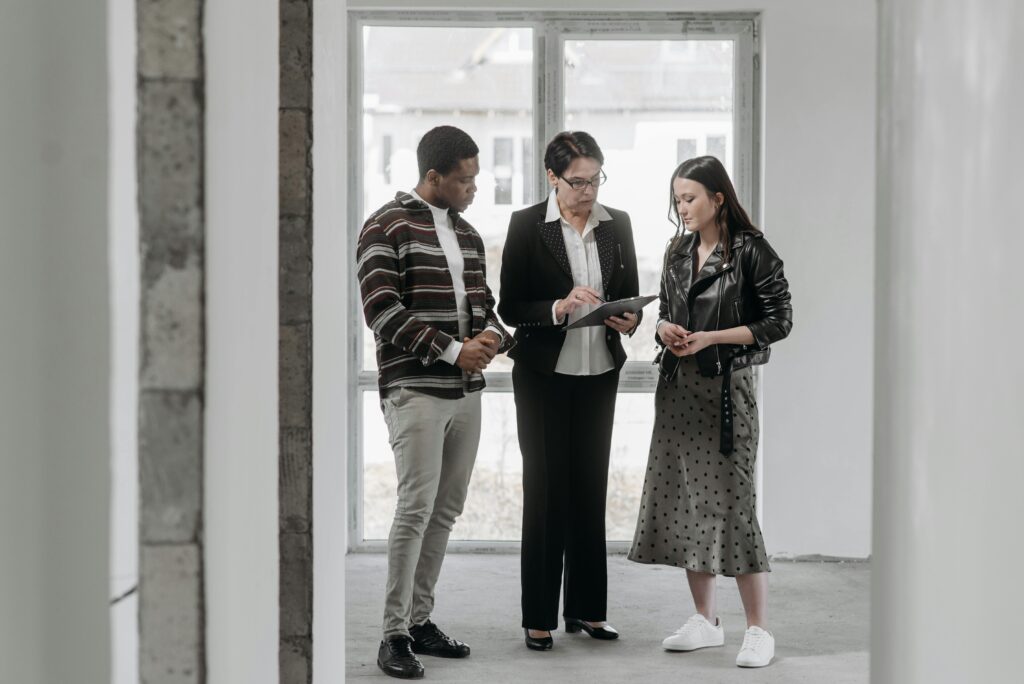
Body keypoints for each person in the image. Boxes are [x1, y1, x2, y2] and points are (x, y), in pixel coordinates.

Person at [356, 125, 514, 680]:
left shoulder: (468, 235)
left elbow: (485, 308)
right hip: (415, 391)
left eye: (475, 179)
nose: (473, 188)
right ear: (433, 177)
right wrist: (453, 350)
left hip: (466, 394)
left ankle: (421, 620)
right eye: (464, 180)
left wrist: (494, 339)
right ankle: (393, 634)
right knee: (415, 508)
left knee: (445, 511)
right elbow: (382, 310)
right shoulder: (385, 226)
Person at [628, 155, 792, 668]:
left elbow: (779, 320)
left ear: (718, 198)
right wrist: (664, 330)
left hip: (726, 392)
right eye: (677, 199)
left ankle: (759, 630)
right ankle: (705, 621)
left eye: (690, 198)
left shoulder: (752, 251)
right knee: (685, 504)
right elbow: (666, 311)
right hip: (678, 391)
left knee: (733, 507)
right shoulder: (678, 250)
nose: (682, 208)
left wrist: (712, 338)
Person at [498, 131, 641, 651]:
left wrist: (629, 317)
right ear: (552, 177)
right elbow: (511, 307)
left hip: (599, 372)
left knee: (589, 490)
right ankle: (539, 615)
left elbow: (628, 292)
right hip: (542, 376)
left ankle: (587, 610)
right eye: (577, 181)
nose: (587, 191)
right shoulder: (526, 226)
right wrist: (558, 307)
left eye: (595, 179)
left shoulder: (616, 224)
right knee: (545, 492)